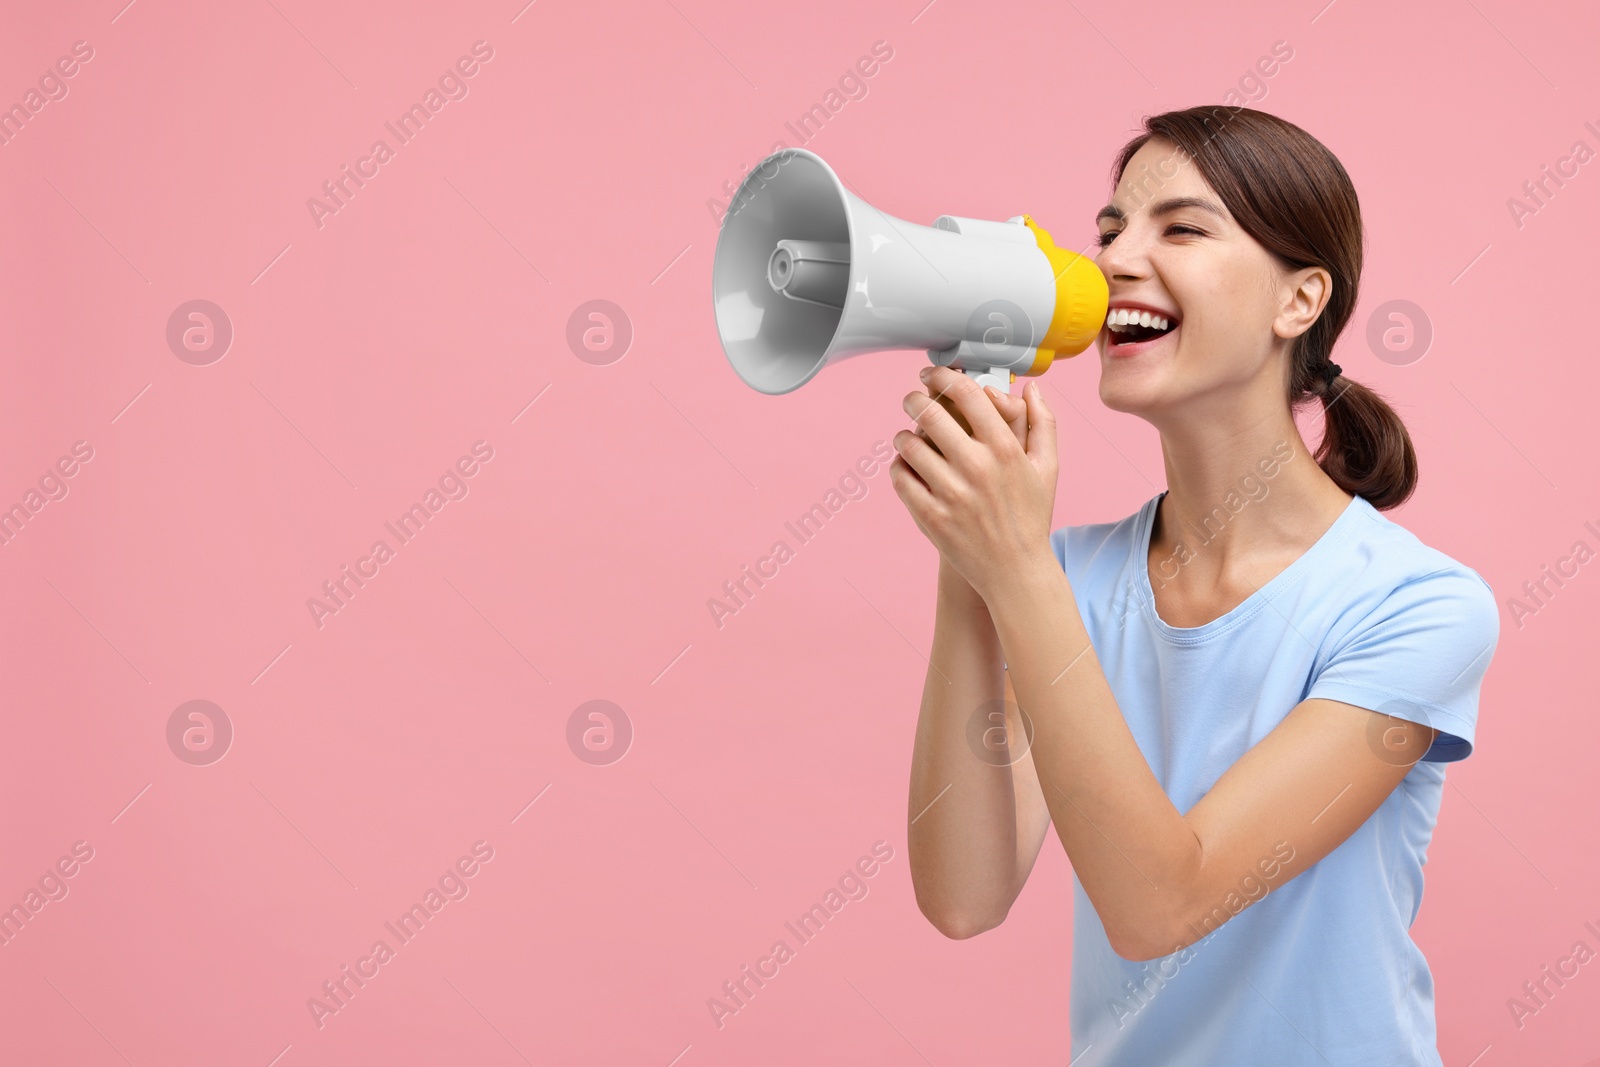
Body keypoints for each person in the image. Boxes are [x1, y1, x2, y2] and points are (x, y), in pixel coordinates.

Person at [891, 105, 1500, 1066]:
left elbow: (1160, 902)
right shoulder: (1064, 578)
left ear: (1299, 301)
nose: (1113, 262)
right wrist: (970, 554)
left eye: (1180, 228)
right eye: (1109, 231)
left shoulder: (1417, 607)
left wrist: (1012, 562)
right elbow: (965, 896)